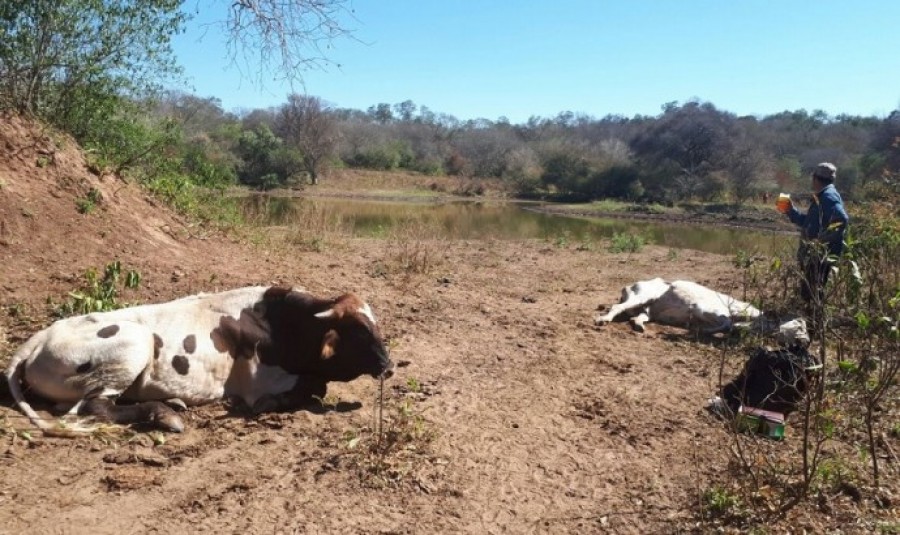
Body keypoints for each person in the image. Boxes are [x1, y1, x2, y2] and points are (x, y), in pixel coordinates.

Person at [777, 162, 849, 316]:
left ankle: (812, 325)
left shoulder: (828, 197)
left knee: (812, 291)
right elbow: (808, 223)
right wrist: (790, 210)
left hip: (818, 256)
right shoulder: (824, 196)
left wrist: (820, 242)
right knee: (811, 290)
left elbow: (842, 220)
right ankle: (812, 323)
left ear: (815, 178)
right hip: (816, 255)